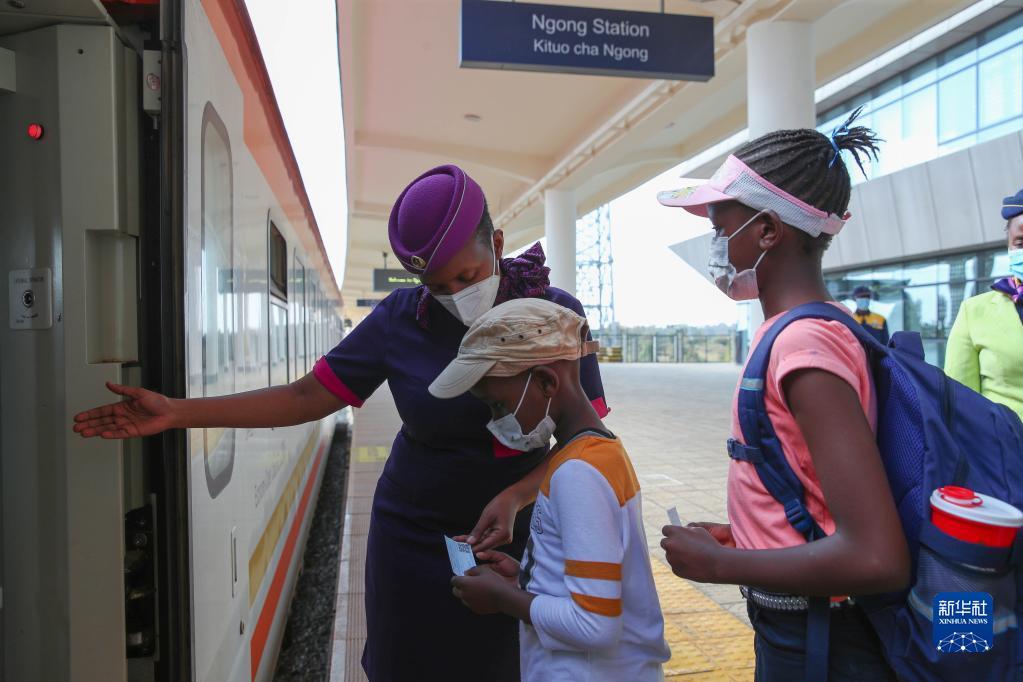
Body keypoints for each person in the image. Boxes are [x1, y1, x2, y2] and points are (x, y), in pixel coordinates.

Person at [72, 164, 609, 681]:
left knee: (509, 666)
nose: (455, 297)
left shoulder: (554, 316)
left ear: (496, 243)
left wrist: (516, 495)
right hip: (414, 537)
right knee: (407, 666)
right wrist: (177, 412)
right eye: (438, 286)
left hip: (523, 535)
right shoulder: (401, 319)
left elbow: (589, 442)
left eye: (466, 277)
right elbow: (305, 396)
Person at [656, 113, 909, 681]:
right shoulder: (804, 330)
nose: (715, 244)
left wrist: (722, 566)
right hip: (800, 626)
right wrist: (744, 537)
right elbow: (814, 491)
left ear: (768, 231)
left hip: (818, 641)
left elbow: (876, 557)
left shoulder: (803, 344)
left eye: (720, 226)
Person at [433, 298, 669, 682]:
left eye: (498, 405)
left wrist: (503, 599)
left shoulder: (577, 473)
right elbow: (591, 582)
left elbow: (595, 625)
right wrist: (524, 578)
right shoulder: (596, 450)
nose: (497, 421)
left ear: (546, 382)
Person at [944, 189, 1023, 422]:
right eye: (1020, 242)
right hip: (1005, 442)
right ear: (1008, 245)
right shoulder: (974, 311)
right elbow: (959, 404)